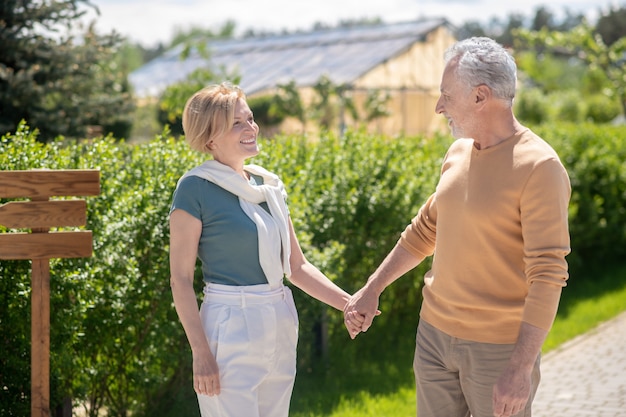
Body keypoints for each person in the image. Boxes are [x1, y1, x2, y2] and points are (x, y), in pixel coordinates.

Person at [344, 37, 571, 417]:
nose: (438, 107)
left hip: (496, 350)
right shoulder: (458, 151)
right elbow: (425, 229)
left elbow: (548, 273)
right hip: (433, 337)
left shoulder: (540, 168)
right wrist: (372, 288)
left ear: (481, 96)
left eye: (446, 95)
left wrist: (519, 368)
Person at [169, 82, 351, 417]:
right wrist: (201, 352)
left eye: (250, 119)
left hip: (279, 319)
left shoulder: (269, 187)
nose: (251, 128)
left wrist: (349, 304)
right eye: (237, 123)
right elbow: (180, 280)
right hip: (229, 322)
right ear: (210, 137)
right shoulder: (194, 188)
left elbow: (296, 267)